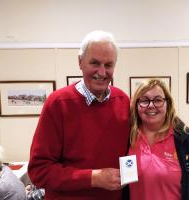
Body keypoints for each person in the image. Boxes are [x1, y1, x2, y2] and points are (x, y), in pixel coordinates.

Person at [28, 30, 130, 200]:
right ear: (80, 62)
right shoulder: (58, 104)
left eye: (109, 65)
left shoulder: (123, 101)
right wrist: (93, 178)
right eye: (95, 63)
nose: (102, 72)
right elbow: (39, 170)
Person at [128, 79, 189, 200]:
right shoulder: (127, 137)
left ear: (167, 104)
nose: (151, 105)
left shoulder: (187, 139)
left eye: (158, 100)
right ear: (136, 105)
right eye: (144, 100)